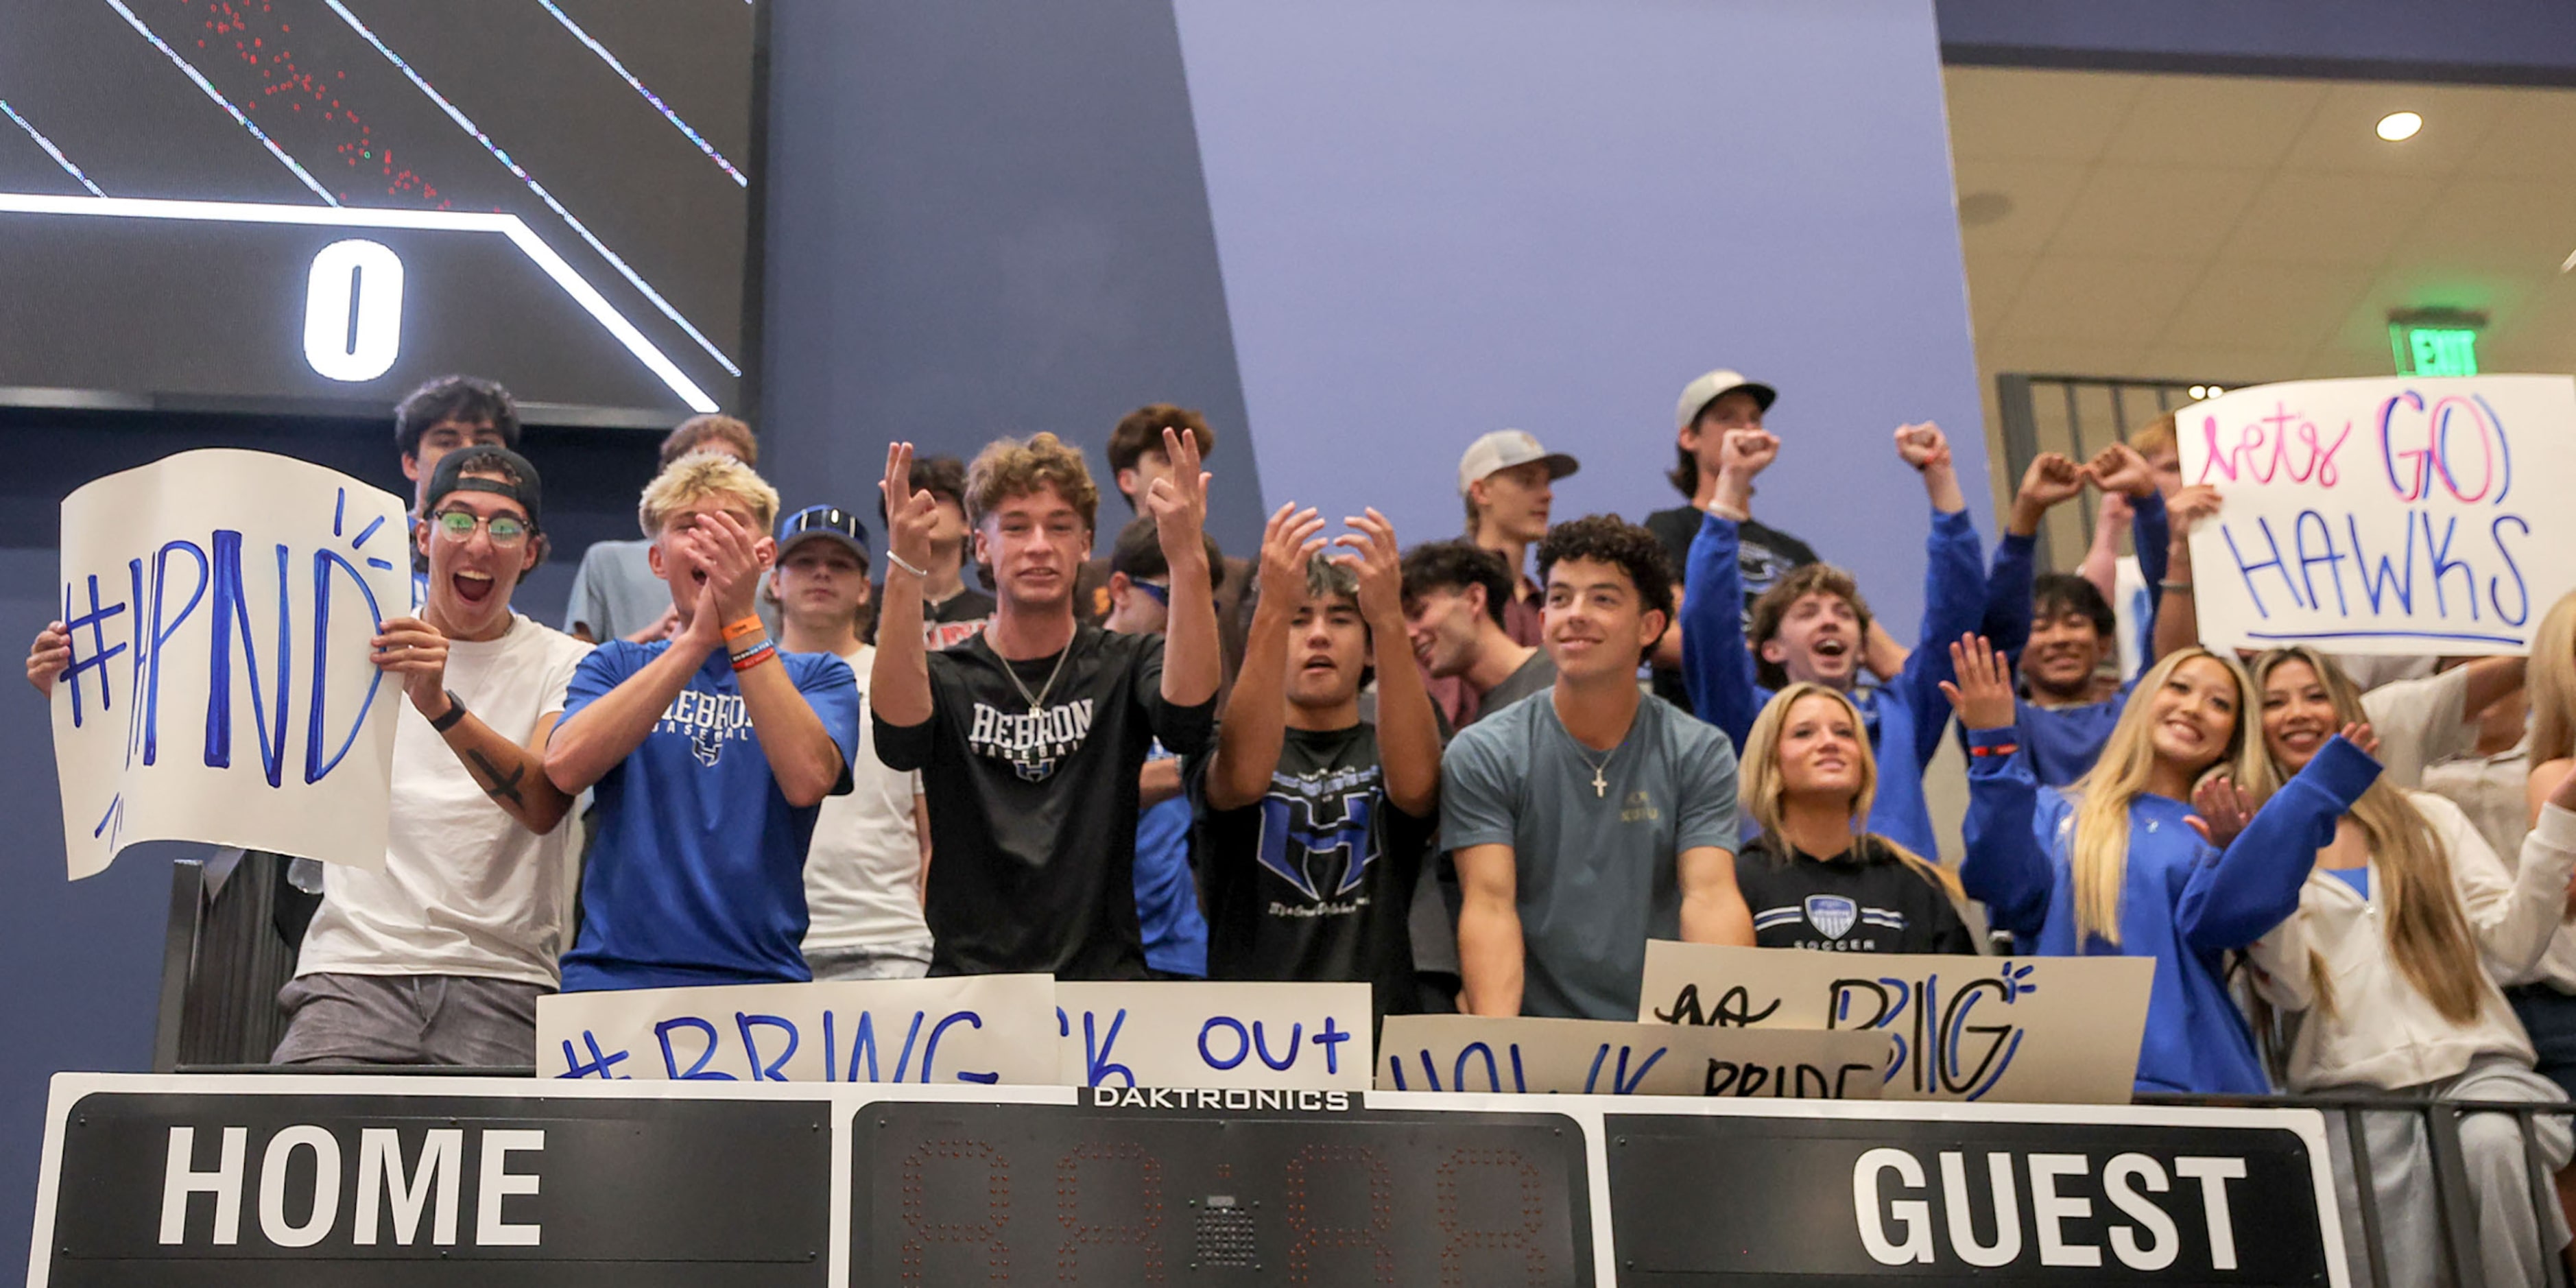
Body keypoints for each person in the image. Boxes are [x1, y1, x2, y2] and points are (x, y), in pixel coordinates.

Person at [27, 446, 590, 1064]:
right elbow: (211, 707)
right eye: (459, 520)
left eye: (505, 526)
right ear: (423, 535)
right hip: (351, 971)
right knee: (291, 1135)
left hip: (505, 979)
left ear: (531, 552)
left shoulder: (566, 662)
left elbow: (541, 801)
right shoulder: (346, 638)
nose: (480, 543)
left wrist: (438, 704)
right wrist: (88, 684)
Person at [2242, 646, 2576, 1288]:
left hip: (2477, 1071)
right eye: (2274, 702)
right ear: (2254, 728)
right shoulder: (2255, 837)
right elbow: (2285, 986)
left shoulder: (2430, 818)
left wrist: (2559, 820)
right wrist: (2266, 860)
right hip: (2350, 1095)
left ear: (2347, 709)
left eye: (2314, 695)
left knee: (2493, 1146)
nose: (2297, 714)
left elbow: (2511, 943)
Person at [1949, 635, 2380, 1094]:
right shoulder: (2053, 811)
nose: (2194, 708)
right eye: (2179, 688)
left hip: (2197, 1093)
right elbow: (2001, 885)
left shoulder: (2218, 833)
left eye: (2219, 704)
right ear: (2142, 701)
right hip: (2064, 1084)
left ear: (2231, 739)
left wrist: (2299, 810)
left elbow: (2226, 923)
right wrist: (1993, 746)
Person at [872, 430, 1220, 978]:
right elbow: (897, 740)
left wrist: (1187, 561)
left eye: (1060, 527)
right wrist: (902, 570)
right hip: (971, 988)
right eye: (1015, 526)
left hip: (1103, 984)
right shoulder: (946, 675)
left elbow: (1187, 721)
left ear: (1085, 545)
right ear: (981, 546)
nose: (1039, 545)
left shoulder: (1127, 662)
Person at [541, 453, 859, 990]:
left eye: (731, 525)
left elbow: (807, 780)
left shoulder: (820, 675)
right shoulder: (615, 663)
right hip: (612, 977)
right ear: (658, 561)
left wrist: (737, 625)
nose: (712, 541)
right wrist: (695, 643)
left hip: (763, 979)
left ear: (763, 557)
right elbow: (565, 768)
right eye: (690, 527)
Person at [1442, 514, 1755, 1019]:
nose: (1575, 615)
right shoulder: (1484, 751)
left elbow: (1711, 898)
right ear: (1543, 624)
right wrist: (1497, 1057)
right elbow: (1490, 908)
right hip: (1540, 1045)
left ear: (1650, 626)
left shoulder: (1699, 751)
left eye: (1604, 599)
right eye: (1561, 598)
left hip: (1663, 1041)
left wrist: (1719, 1048)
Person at [1681, 421, 1981, 859]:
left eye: (1843, 615)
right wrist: (1730, 484)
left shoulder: (1903, 715)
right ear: (1771, 649)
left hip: (1902, 916)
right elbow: (1708, 623)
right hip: (1780, 917)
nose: (1829, 623)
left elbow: (1956, 615)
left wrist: (1941, 478)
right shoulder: (1747, 719)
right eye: (1807, 614)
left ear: (1862, 650)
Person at [1197, 503, 1441, 1016]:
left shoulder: (1395, 741)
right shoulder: (1221, 741)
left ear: (1369, 646)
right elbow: (1240, 781)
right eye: (1299, 619)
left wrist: (1388, 617)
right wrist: (1271, 608)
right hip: (1253, 1045)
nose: (1318, 635)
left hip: (1381, 1037)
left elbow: (1418, 790)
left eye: (1341, 619)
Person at [763, 504, 934, 981]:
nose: (821, 572)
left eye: (839, 564)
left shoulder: (905, 681)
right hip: (763, 941)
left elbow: (932, 832)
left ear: (864, 589)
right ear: (774, 582)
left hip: (890, 939)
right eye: (803, 561)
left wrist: (922, 922)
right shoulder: (741, 683)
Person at [1979, 444, 2171, 786]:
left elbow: (2168, 604)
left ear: (2103, 642)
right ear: (2019, 651)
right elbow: (2000, 629)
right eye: (2040, 627)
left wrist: (2147, 498)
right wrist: (2027, 513)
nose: (2060, 639)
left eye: (2075, 623)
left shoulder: (2135, 712)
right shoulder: (2000, 719)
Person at [1733, 684, 1977, 955]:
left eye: (1844, 733)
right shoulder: (1737, 881)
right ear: (1770, 763)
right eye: (1804, 733)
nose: (1829, 743)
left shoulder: (1914, 883)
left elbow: (1966, 992)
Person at [1643, 368, 1823, 704]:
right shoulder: (1669, 528)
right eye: (1727, 418)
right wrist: (1776, 658)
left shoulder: (1796, 552)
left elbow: (1869, 645)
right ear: (1689, 437)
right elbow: (1664, 631)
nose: (1747, 429)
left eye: (1755, 419)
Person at [1100, 516, 1217, 979]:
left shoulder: (1190, 689)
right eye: (1171, 597)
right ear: (1120, 589)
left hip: (1182, 954)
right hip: (1093, 951)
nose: (1184, 615)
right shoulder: (1075, 680)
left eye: (1200, 600)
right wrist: (1189, 766)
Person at [1076, 405, 1252, 682]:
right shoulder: (1084, 580)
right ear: (1127, 480)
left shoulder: (1239, 579)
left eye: (1191, 461)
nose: (1183, 472)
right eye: (1164, 460)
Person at [564, 414, 759, 645]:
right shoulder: (608, 560)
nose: (717, 478)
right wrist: (653, 635)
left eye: (733, 466)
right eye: (701, 465)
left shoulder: (766, 569)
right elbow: (576, 659)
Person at [1398, 539, 1555, 728]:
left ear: (1474, 599)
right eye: (1402, 625)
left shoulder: (1563, 673)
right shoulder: (1479, 732)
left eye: (1418, 612)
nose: (1410, 634)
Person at [874, 453, 995, 651]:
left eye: (937, 498)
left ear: (968, 522)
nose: (921, 505)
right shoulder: (864, 610)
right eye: (910, 498)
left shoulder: (993, 614)